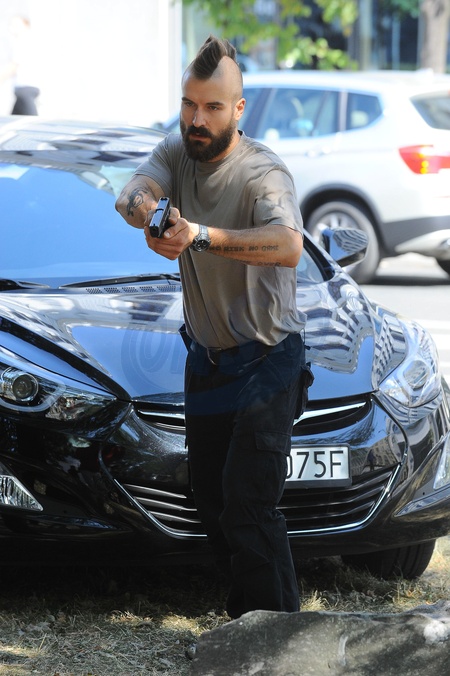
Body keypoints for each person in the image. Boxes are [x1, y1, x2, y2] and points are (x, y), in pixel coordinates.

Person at [115, 36, 310, 618]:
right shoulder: (177, 151)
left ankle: (280, 637)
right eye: (189, 104)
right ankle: (246, 626)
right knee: (211, 503)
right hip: (207, 360)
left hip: (268, 359)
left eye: (213, 107)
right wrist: (150, 216)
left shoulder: (262, 172)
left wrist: (198, 235)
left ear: (239, 109)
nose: (197, 120)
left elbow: (289, 246)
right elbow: (131, 194)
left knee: (248, 505)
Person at [0, 16, 40, 115]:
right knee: (13, 121)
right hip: (23, 90)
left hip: (25, 90)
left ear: (26, 26)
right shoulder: (29, 41)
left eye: (16, 25)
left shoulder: (23, 42)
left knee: (33, 121)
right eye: (11, 25)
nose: (12, 28)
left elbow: (13, 66)